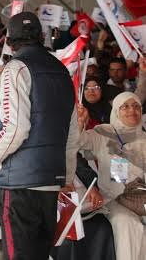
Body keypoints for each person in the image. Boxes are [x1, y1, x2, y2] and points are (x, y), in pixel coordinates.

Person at [0, 12, 79, 259]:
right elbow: (72, 132)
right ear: (41, 36)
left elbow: (16, 128)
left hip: (19, 183)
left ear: (9, 40)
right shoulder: (62, 71)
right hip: (51, 179)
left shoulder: (15, 69)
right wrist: (66, 174)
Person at [77, 92, 146, 259]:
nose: (132, 110)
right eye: (126, 106)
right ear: (116, 111)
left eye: (136, 106)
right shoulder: (102, 133)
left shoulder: (144, 137)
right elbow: (76, 143)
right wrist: (79, 122)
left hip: (141, 197)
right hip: (114, 198)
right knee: (127, 224)